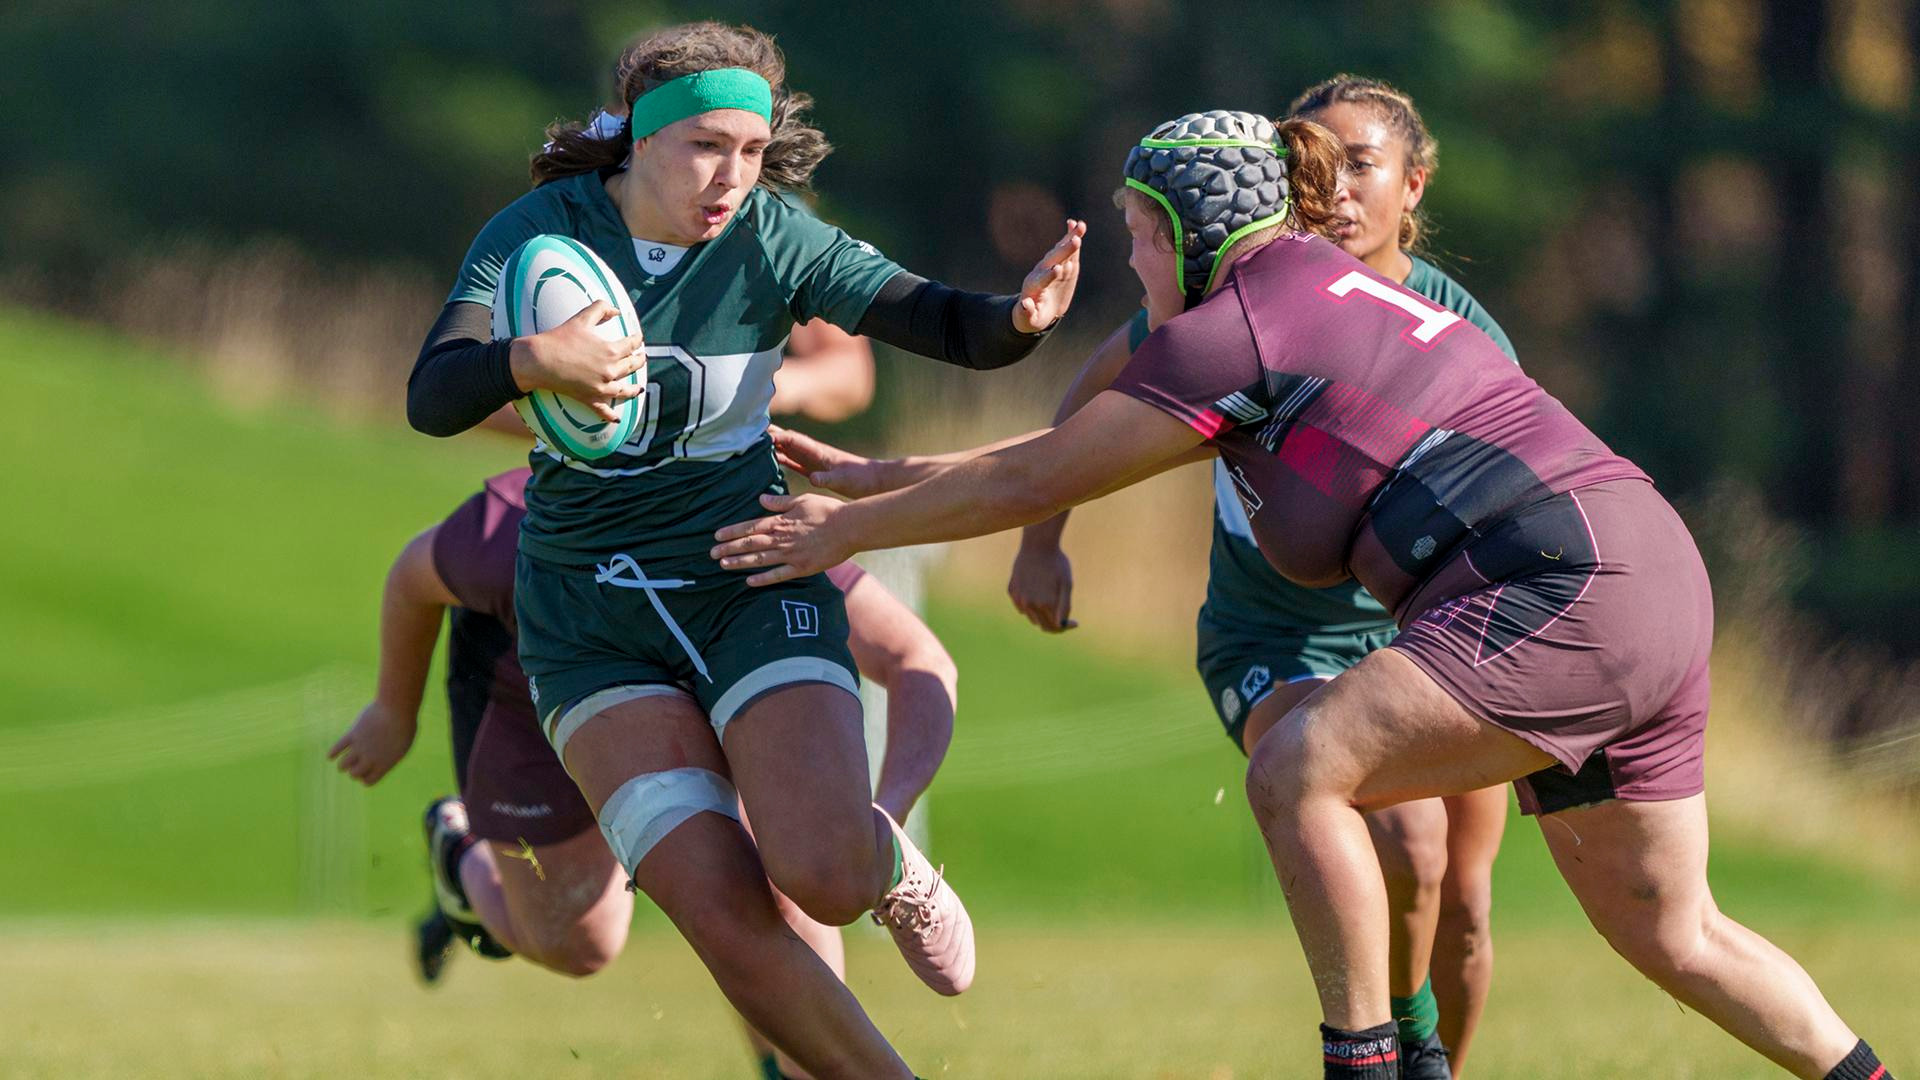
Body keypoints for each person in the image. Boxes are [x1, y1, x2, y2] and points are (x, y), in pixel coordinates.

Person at [712, 108, 1898, 1080]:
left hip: (1560, 584)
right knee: (1672, 932)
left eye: (1138, 231)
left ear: (1195, 227)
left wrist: (844, 530)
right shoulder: (1306, 297)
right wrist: (883, 477)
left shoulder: (1231, 330)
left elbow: (1034, 477)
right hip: (1643, 570)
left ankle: (1366, 1066)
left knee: (1301, 770)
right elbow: (1058, 461)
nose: (1131, 258)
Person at [404, 21, 1083, 1079]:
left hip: (749, 574)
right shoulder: (541, 233)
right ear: (640, 139)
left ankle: (887, 862)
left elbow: (943, 322)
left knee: (821, 875)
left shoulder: (773, 237)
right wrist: (535, 359)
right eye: (706, 147)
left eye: (753, 152)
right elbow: (433, 395)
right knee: (725, 917)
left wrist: (1022, 320)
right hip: (591, 618)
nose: (732, 177)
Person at [996, 75, 1508, 1079]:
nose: (1340, 190)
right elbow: (1083, 412)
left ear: (1415, 185)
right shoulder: (1231, 308)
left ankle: (1433, 1053)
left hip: (1430, 638)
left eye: (1363, 165)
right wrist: (1039, 542)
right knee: (1408, 842)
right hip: (1272, 642)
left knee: (1463, 907)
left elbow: (1519, 487)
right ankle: (1406, 1054)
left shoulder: (1459, 327)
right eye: (1314, 167)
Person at [329, 467, 958, 1080]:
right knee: (580, 942)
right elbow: (414, 575)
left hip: (701, 683)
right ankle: (462, 857)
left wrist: (884, 822)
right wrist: (392, 711)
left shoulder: (740, 520)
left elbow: (916, 657)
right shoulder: (516, 531)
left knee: (777, 869)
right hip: (528, 695)